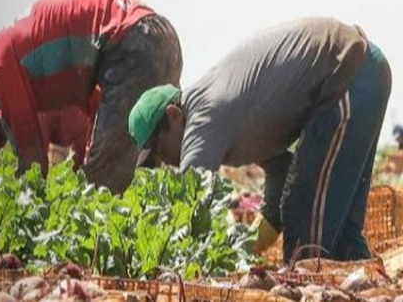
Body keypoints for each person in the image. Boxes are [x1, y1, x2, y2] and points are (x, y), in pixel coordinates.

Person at [127, 17, 392, 262]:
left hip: (346, 73)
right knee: (343, 236)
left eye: (161, 150)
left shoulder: (201, 118)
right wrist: (249, 244)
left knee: (307, 241)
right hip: (364, 73)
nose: (166, 162)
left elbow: (190, 210)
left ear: (173, 116)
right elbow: (281, 173)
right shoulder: (229, 116)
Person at [0, 0, 183, 192]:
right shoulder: (20, 41)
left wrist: (26, 212)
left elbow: (32, 158)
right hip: (160, 38)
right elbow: (97, 104)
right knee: (144, 171)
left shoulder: (0, 63)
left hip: (133, 43)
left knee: (101, 186)